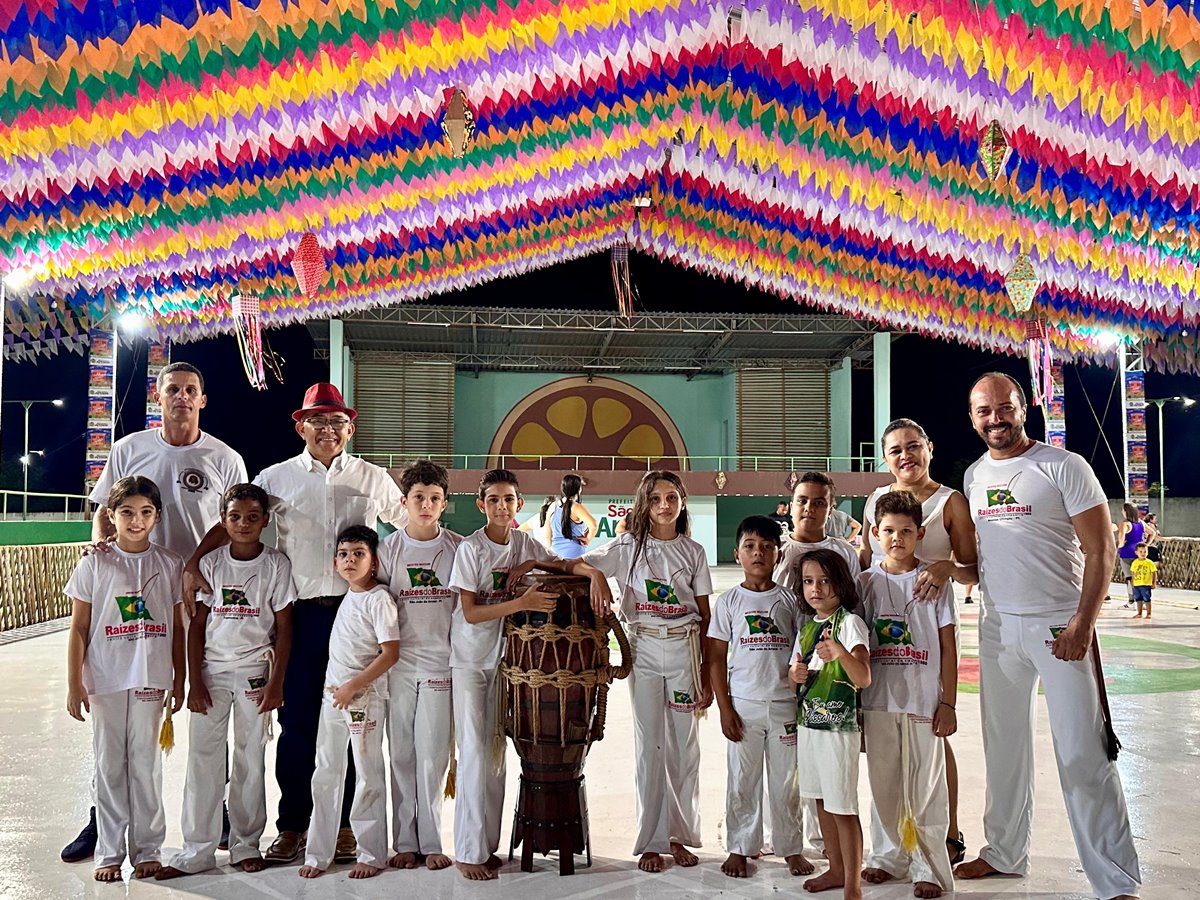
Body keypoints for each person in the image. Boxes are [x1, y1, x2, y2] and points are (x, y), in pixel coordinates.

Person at [186, 383, 407, 866]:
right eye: (318, 422)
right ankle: (294, 826)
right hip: (300, 615)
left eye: (336, 423)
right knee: (297, 720)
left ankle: (347, 824)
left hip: (355, 617)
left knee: (353, 718)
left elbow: (409, 522)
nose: (328, 431)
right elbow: (233, 521)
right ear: (300, 425)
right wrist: (193, 562)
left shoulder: (372, 477)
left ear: (351, 427)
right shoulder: (276, 477)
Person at [955, 373, 1140, 900]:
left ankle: (1115, 877)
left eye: (1005, 408)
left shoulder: (1064, 466)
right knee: (1003, 749)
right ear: (972, 418)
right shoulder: (973, 476)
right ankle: (1004, 853)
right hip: (997, 627)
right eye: (984, 411)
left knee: (1083, 753)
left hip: (1060, 625)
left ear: (1023, 408)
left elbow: (1101, 552)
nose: (996, 418)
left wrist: (1084, 623)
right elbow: (981, 561)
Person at [64, 361, 246, 864]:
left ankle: (218, 811)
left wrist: (191, 565)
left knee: (206, 705)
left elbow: (232, 522)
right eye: (173, 390)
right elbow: (104, 508)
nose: (182, 397)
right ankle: (101, 821)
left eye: (191, 390)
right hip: (136, 605)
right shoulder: (129, 450)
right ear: (159, 397)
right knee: (114, 716)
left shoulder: (225, 458)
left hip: (201, 599)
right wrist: (105, 553)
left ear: (202, 400)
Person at [512, 470, 712, 873]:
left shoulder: (693, 552)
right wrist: (597, 574)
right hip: (644, 647)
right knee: (649, 744)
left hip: (684, 648)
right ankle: (653, 841)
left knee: (683, 746)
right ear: (644, 504)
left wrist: (705, 671)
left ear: (683, 502)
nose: (664, 505)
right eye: (655, 499)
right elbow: (574, 565)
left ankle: (680, 836)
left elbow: (706, 616)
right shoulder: (628, 547)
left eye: (672, 497)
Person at [155, 484, 295, 880]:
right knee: (203, 760)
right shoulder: (211, 565)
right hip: (212, 674)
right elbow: (196, 625)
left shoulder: (276, 565)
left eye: (253, 517)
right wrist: (195, 681)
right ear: (223, 520)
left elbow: (284, 629)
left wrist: (276, 682)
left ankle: (246, 844)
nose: (244, 524)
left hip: (256, 673)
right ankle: (198, 848)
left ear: (266, 521)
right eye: (235, 517)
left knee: (251, 757)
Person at [860, 417, 978, 863]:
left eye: (913, 446)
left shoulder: (950, 502)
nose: (905, 456)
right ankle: (893, 844)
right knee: (889, 739)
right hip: (885, 628)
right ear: (885, 458)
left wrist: (946, 568)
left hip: (931, 624)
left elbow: (973, 568)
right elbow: (866, 562)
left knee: (933, 732)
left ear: (929, 447)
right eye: (895, 450)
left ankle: (945, 830)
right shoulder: (877, 500)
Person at [64, 476, 185, 882]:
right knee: (110, 763)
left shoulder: (169, 563)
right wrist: (73, 683)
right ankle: (109, 852)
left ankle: (148, 849)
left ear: (157, 517)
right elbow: (79, 628)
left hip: (152, 676)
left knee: (146, 763)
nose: (136, 520)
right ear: (111, 516)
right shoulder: (95, 562)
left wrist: (180, 677)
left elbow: (178, 626)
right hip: (106, 677)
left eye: (146, 512)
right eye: (127, 512)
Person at [447, 469, 559, 880]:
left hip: (507, 664)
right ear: (481, 505)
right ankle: (466, 851)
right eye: (493, 499)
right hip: (470, 662)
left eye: (508, 499)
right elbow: (472, 612)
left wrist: (533, 560)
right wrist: (521, 601)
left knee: (496, 755)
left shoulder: (524, 542)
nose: (501, 506)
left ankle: (486, 846)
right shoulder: (471, 550)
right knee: (475, 754)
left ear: (519, 504)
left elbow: (561, 563)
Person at [858, 491, 957, 899]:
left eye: (905, 531)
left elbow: (949, 647)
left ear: (921, 532)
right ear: (875, 534)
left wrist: (948, 702)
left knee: (927, 789)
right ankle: (886, 857)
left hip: (921, 702)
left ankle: (929, 867)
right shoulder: (865, 583)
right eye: (888, 531)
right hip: (878, 700)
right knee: (883, 786)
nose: (896, 538)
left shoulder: (935, 581)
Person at [707, 515, 811, 879]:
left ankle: (791, 848)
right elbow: (716, 658)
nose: (758, 553)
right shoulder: (729, 602)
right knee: (742, 780)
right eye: (750, 546)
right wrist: (724, 708)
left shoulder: (791, 602)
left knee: (787, 782)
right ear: (737, 554)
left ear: (778, 555)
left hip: (784, 705)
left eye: (767, 547)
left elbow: (803, 653)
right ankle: (740, 847)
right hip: (744, 706)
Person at [299, 526, 400, 879]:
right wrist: (338, 691)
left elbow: (390, 653)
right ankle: (317, 852)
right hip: (335, 697)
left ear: (374, 562)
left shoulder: (379, 599)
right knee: (325, 772)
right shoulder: (348, 597)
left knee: (368, 774)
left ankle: (371, 853)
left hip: (363, 698)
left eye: (359, 553)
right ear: (334, 562)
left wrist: (353, 687)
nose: (350, 560)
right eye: (344, 554)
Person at [377, 460, 463, 871]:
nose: (425, 505)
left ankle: (431, 841)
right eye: (418, 498)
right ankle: (404, 841)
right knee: (401, 754)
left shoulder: (459, 549)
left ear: (444, 504)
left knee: (433, 756)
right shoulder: (387, 551)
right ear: (403, 501)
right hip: (398, 666)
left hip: (441, 666)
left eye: (433, 499)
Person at [788, 549, 871, 900]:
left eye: (825, 581)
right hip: (809, 726)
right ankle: (835, 868)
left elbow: (863, 677)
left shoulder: (850, 623)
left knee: (843, 806)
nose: (816, 589)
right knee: (820, 800)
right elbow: (793, 677)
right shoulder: (808, 628)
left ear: (841, 584)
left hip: (838, 728)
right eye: (809, 581)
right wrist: (795, 674)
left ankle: (852, 885)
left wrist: (840, 652)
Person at [776, 472, 861, 593]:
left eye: (819, 503)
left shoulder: (845, 552)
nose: (809, 508)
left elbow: (854, 600)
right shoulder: (774, 549)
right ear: (791, 507)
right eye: (802, 501)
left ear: (830, 511)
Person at [545, 473, 598, 558]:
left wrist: (551, 553)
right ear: (579, 489)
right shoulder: (577, 507)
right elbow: (594, 526)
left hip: (555, 553)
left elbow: (548, 535)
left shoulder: (552, 506)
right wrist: (588, 539)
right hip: (575, 553)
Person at [1116, 503, 1145, 605]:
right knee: (1139, 577)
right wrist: (1145, 544)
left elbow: (1121, 540)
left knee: (1129, 578)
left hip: (1126, 553)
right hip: (1138, 553)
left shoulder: (1125, 524)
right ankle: (1142, 600)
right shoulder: (1141, 523)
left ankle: (1132, 601)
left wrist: (1119, 546)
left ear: (1126, 512)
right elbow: (1153, 533)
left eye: (1123, 510)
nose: (1122, 512)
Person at [1130, 542, 1156, 620]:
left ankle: (1149, 613)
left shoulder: (1150, 563)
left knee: (1147, 599)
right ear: (1136, 552)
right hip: (1137, 584)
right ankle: (1139, 613)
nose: (1143, 553)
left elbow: (1154, 573)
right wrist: (1132, 583)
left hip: (1146, 584)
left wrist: (1153, 583)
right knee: (1138, 599)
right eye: (1140, 552)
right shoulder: (1135, 563)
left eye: (1145, 552)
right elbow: (1133, 573)